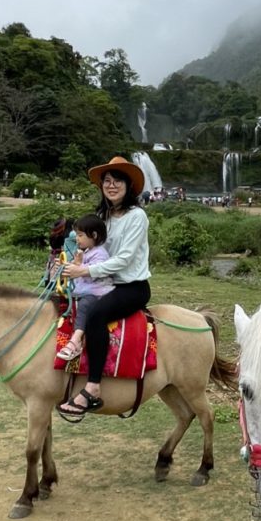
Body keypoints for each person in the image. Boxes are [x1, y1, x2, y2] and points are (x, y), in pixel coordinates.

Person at [57, 156, 151, 419]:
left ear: (128, 186)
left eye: (117, 181)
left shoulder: (137, 216)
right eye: (106, 181)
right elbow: (86, 246)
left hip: (130, 286)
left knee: (97, 315)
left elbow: (124, 259)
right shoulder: (101, 217)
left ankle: (93, 387)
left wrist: (84, 270)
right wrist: (68, 257)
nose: (111, 185)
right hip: (101, 283)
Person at [56, 214, 114, 361]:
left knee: (85, 305)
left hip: (97, 292)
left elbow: (92, 272)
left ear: (94, 235)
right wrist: (65, 267)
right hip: (86, 289)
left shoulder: (100, 253)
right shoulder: (87, 252)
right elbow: (78, 271)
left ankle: (75, 340)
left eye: (80, 235)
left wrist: (77, 267)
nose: (77, 239)